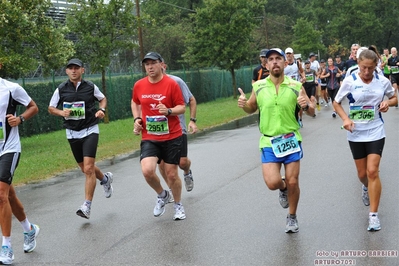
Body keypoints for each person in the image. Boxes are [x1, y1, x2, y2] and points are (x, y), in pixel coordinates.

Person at [237, 48, 315, 233]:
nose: (274, 62)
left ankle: (292, 216)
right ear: (266, 64)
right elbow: (251, 108)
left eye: (278, 58)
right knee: (272, 183)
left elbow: (311, 112)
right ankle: (282, 188)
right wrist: (244, 105)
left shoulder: (296, 86)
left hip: (291, 139)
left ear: (285, 62)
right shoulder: (259, 86)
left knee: (293, 181)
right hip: (269, 142)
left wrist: (308, 105)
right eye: (270, 59)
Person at [333, 49, 397, 231]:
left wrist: (387, 103)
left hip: (376, 130)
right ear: (358, 65)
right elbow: (336, 102)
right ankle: (366, 188)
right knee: (362, 175)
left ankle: (374, 215)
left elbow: (394, 98)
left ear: (376, 66)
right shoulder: (350, 81)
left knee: (372, 171)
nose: (367, 72)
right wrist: (345, 118)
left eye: (370, 68)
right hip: (355, 132)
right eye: (363, 68)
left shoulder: (382, 81)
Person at [48, 58, 113, 220]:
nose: (73, 71)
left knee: (89, 168)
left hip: (90, 129)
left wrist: (101, 110)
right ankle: (105, 179)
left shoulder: (90, 86)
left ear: (82, 70)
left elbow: (102, 99)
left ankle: (86, 206)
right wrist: (61, 113)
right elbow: (50, 108)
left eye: (76, 68)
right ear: (66, 71)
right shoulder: (61, 89)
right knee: (85, 168)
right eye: (70, 68)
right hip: (72, 132)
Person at [131, 52, 187, 220]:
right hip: (150, 136)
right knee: (147, 171)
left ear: (161, 64)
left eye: (153, 63)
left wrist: (169, 111)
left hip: (172, 136)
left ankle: (178, 205)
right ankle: (162, 195)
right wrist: (137, 119)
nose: (150, 67)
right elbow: (135, 101)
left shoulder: (171, 84)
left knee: (171, 174)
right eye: (146, 64)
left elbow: (182, 107)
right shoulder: (139, 85)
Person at [0, 78, 40, 264]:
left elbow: (33, 106)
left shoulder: (11, 88)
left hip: (9, 147)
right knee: (8, 196)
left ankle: (6, 247)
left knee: (1, 194)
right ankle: (29, 228)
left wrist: (20, 118)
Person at [158, 61, 198, 193]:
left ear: (164, 65)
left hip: (178, 128)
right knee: (162, 163)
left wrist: (192, 120)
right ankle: (171, 189)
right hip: (159, 130)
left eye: (157, 63)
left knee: (182, 162)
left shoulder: (176, 81)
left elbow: (191, 100)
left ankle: (187, 171)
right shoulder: (147, 85)